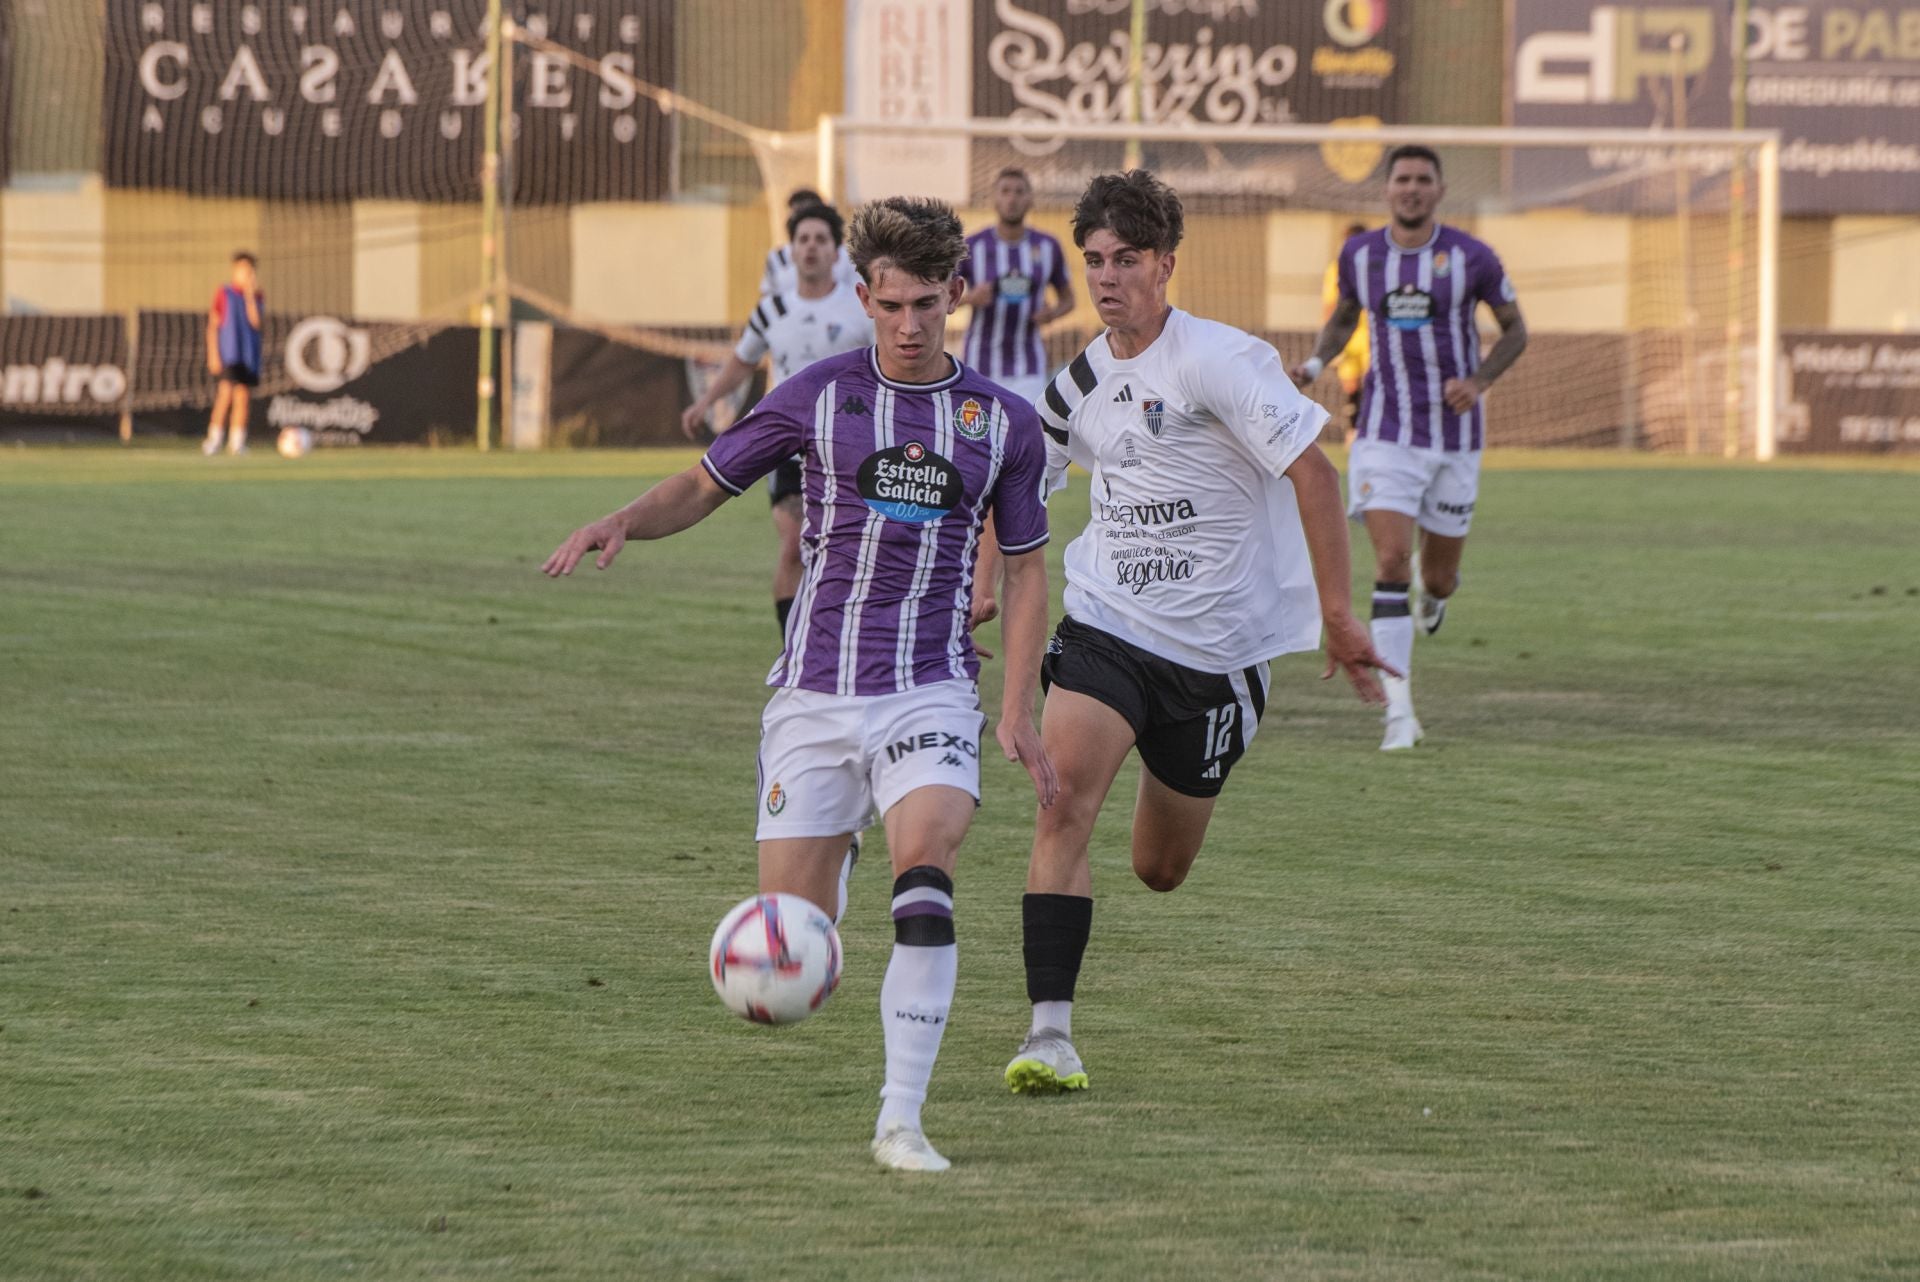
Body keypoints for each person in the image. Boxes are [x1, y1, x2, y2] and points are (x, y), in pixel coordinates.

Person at [546, 196, 1058, 1175]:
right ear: (864, 297)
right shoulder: (815, 395)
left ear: (959, 293)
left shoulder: (1000, 421)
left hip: (931, 689)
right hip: (814, 699)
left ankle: (900, 1119)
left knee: (928, 880)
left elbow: (1029, 567)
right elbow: (704, 481)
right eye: (891, 304)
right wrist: (621, 519)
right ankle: (843, 840)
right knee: (794, 943)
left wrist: (1017, 704)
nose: (909, 325)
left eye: (927, 304)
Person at [1003, 170, 1394, 1096]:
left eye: (1126, 260)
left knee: (1160, 868)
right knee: (1061, 807)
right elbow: (1022, 496)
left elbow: (1316, 478)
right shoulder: (1072, 388)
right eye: (1093, 261)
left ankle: (1163, 766)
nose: (1107, 279)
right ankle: (1048, 1035)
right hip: (1107, 625)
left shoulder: (1223, 359)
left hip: (1219, 657)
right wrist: (987, 588)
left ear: (1166, 264)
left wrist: (1338, 616)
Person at [1291, 145, 1529, 750]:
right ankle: (1399, 712)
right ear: (1388, 188)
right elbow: (1345, 316)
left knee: (1441, 579)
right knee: (1392, 559)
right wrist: (1318, 360)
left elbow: (1516, 330)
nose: (1412, 189)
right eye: (1403, 179)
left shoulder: (1471, 256)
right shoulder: (1359, 254)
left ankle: (1435, 594)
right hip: (1383, 432)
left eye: (1424, 179)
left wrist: (1478, 382)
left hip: (1454, 438)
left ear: (1440, 190)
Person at [682, 203, 873, 638]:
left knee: (845, 549)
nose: (810, 248)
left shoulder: (859, 306)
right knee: (794, 544)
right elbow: (743, 361)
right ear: (790, 250)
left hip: (847, 447)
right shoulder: (771, 310)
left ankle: (843, 634)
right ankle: (794, 644)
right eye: (802, 239)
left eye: (820, 240)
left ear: (835, 250)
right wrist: (706, 402)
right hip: (788, 448)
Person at [960, 167, 1075, 407]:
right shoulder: (973, 246)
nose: (1012, 199)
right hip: (980, 364)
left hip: (1028, 365)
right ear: (994, 198)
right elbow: (942, 296)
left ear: (1030, 198)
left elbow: (1068, 300)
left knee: (1026, 435)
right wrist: (971, 297)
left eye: (1019, 192)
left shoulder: (1047, 246)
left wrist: (1051, 314)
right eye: (1005, 191)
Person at [203, 252, 264, 456]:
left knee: (243, 397)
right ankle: (214, 439)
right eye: (243, 269)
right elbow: (213, 325)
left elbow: (256, 323)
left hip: (248, 355)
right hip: (229, 353)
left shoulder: (256, 296)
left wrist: (249, 296)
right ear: (235, 270)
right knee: (226, 393)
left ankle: (237, 442)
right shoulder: (224, 293)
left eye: (250, 270)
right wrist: (213, 354)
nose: (247, 273)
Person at [1322, 221, 1372, 441]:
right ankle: (1354, 430)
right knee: (1351, 384)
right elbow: (1330, 305)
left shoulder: (1376, 264)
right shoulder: (1337, 268)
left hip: (1372, 333)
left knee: (1373, 381)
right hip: (1348, 334)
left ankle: (1371, 430)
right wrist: (1331, 339)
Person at [761, 188, 859, 297]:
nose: (811, 246)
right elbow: (767, 294)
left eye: (820, 239)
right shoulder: (777, 257)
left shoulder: (847, 256)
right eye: (797, 214)